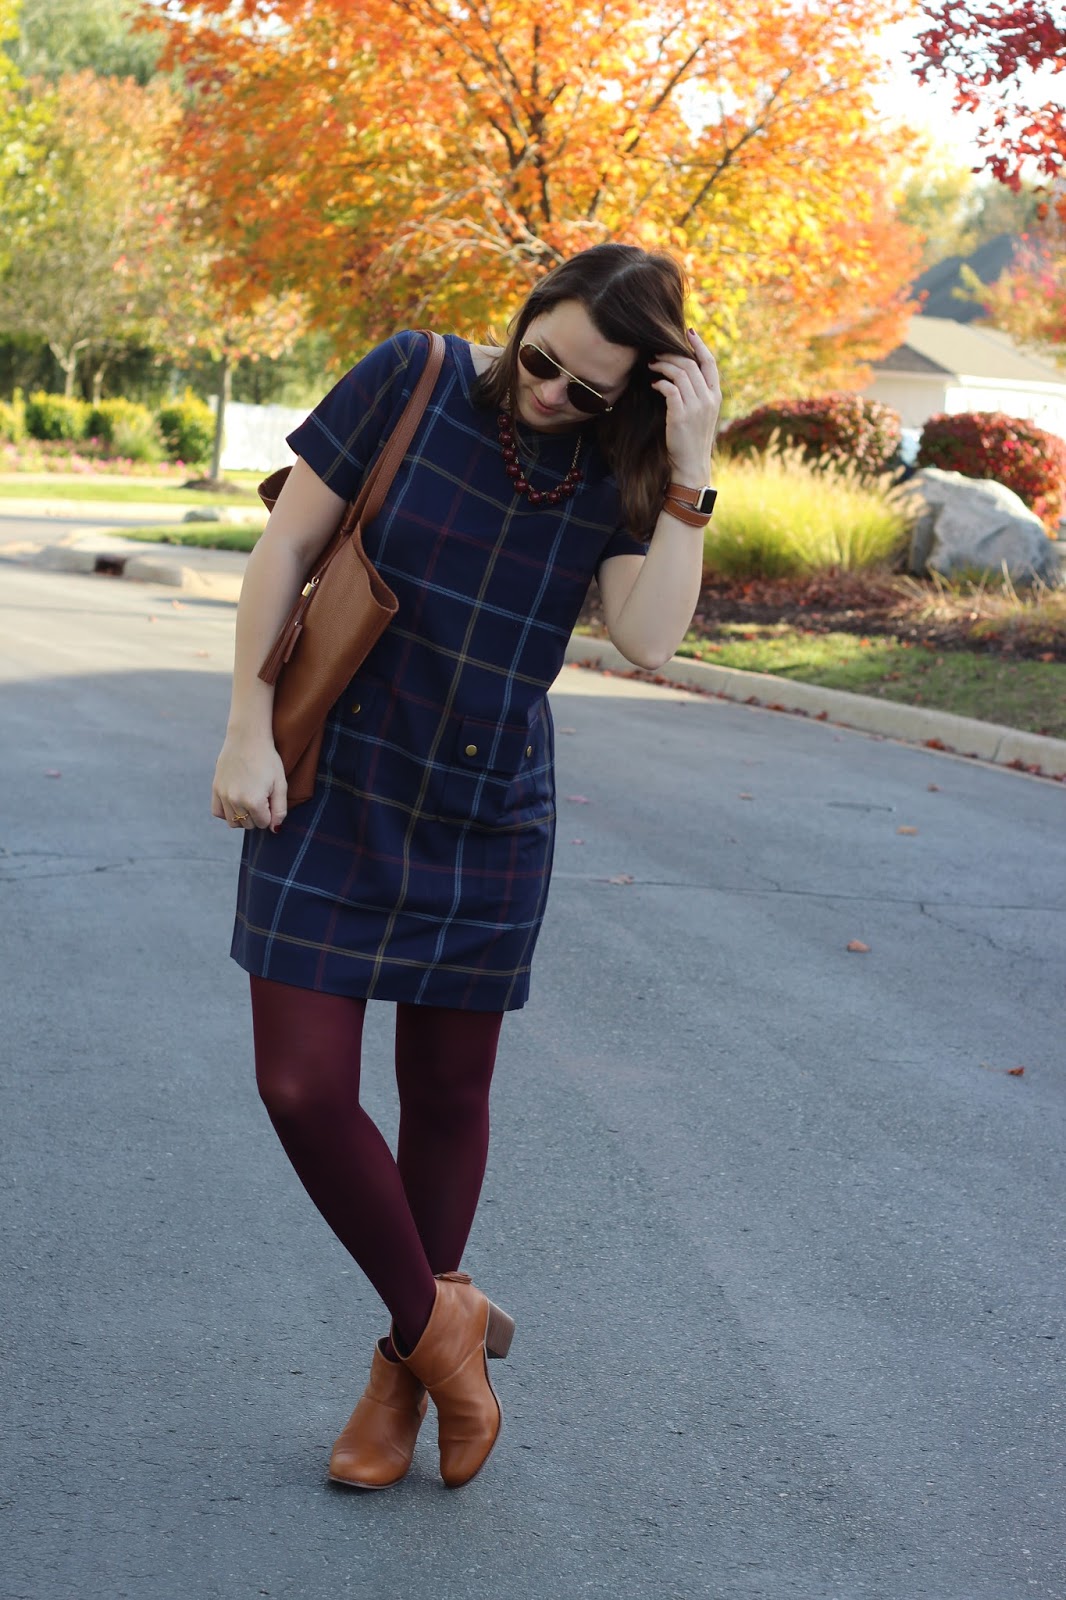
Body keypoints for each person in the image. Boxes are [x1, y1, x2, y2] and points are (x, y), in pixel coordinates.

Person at [211, 242, 721, 1491]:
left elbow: (649, 639)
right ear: (526, 314)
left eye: (588, 390)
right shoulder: (412, 376)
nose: (550, 395)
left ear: (636, 394)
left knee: (445, 1096)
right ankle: (446, 1331)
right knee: (301, 1086)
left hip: (487, 811)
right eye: (542, 361)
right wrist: (242, 725)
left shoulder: (619, 469)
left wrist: (690, 471)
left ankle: (401, 1380)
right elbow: (286, 546)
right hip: (332, 781)